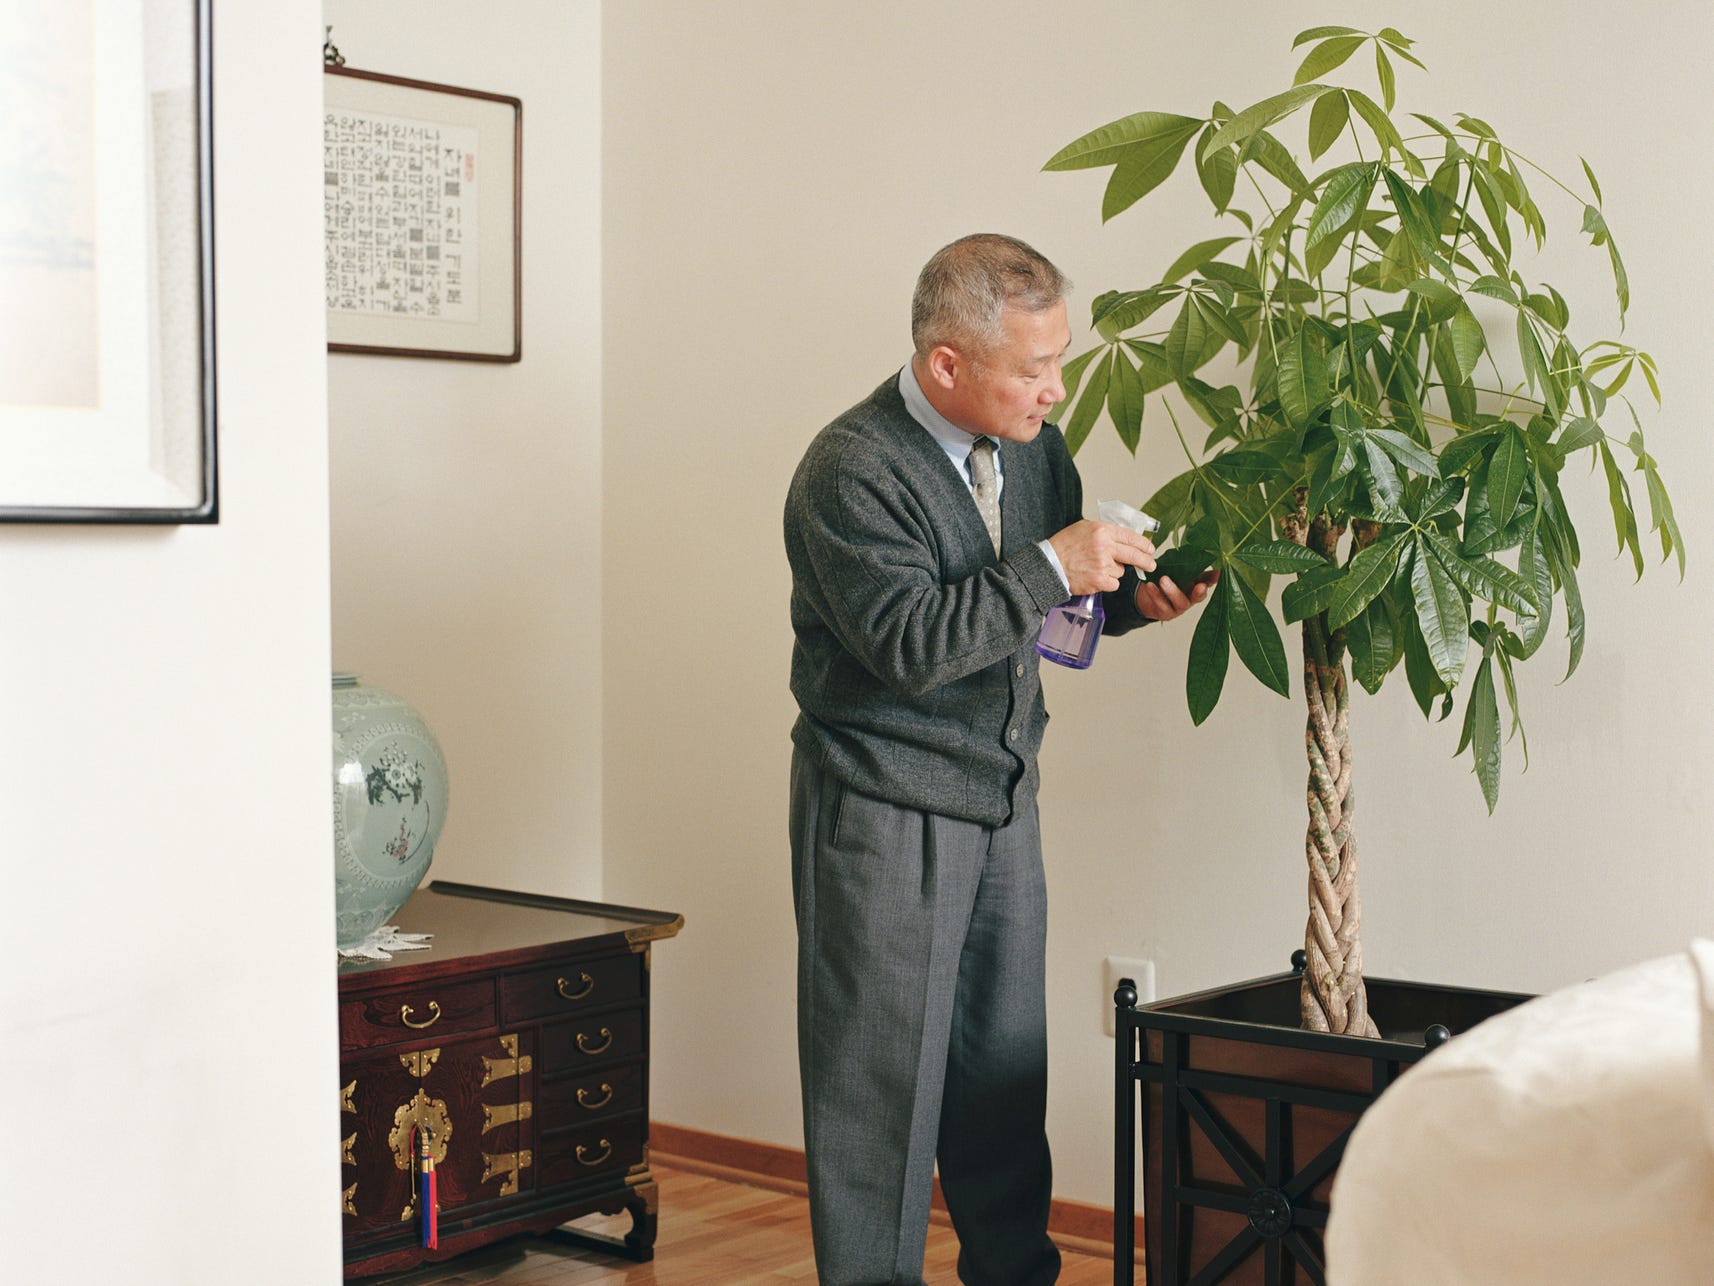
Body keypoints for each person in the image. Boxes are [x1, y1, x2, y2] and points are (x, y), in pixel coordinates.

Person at [783, 233, 1217, 1286]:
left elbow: (1042, 611)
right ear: (945, 364)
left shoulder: (1030, 446)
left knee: (1000, 1075)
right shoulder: (849, 469)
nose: (1056, 389)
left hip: (1002, 796)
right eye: (1033, 368)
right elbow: (912, 644)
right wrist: (1050, 561)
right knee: (878, 1089)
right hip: (883, 805)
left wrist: (1129, 604)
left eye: (1059, 358)